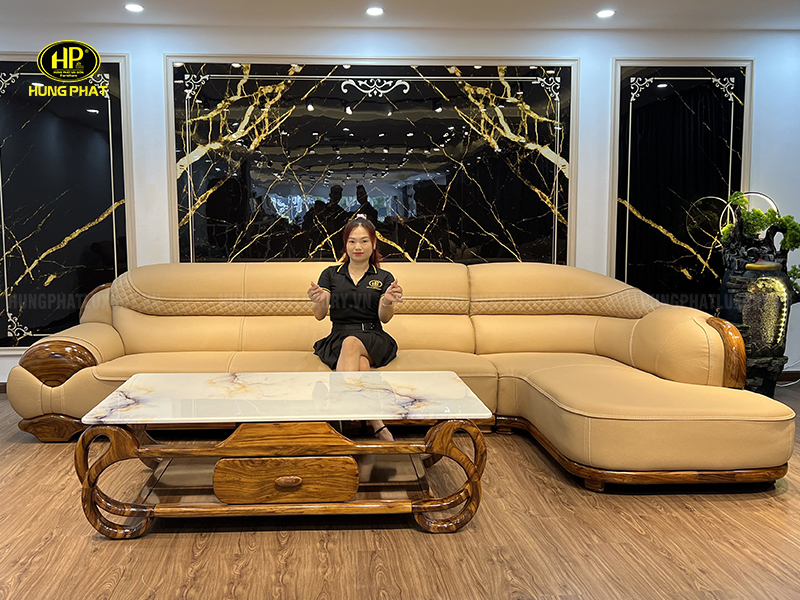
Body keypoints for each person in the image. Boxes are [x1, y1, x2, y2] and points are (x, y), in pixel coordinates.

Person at [307, 213, 403, 444]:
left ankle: (338, 419)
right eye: (352, 241)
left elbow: (384, 318)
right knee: (360, 363)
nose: (357, 247)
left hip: (373, 336)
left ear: (374, 244)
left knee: (352, 344)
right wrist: (319, 300)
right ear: (345, 244)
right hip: (338, 336)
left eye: (363, 241)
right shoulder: (331, 274)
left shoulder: (384, 277)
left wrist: (388, 301)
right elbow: (320, 315)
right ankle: (377, 424)